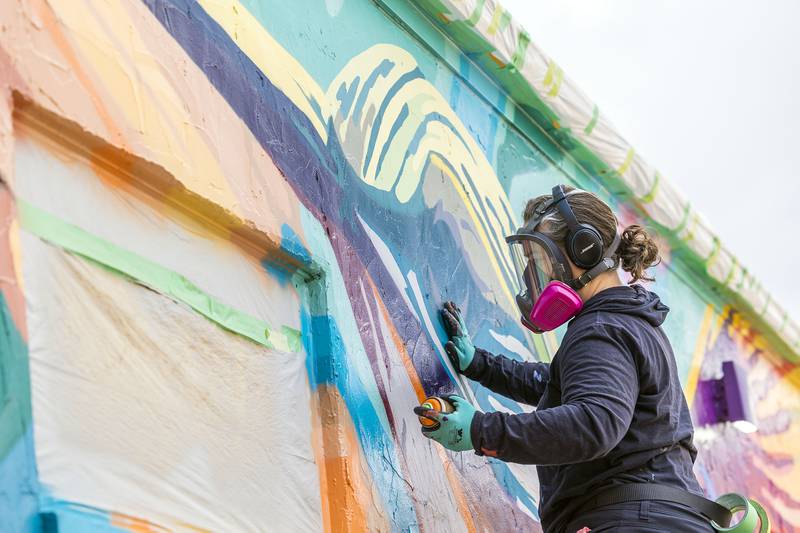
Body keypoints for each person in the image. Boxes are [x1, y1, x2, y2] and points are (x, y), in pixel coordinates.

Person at [419, 185, 716, 532]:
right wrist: (480, 365)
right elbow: (562, 385)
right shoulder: (628, 324)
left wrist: (481, 430)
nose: (534, 276)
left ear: (584, 249)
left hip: (632, 521)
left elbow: (593, 422)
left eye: (537, 259)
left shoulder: (602, 329)